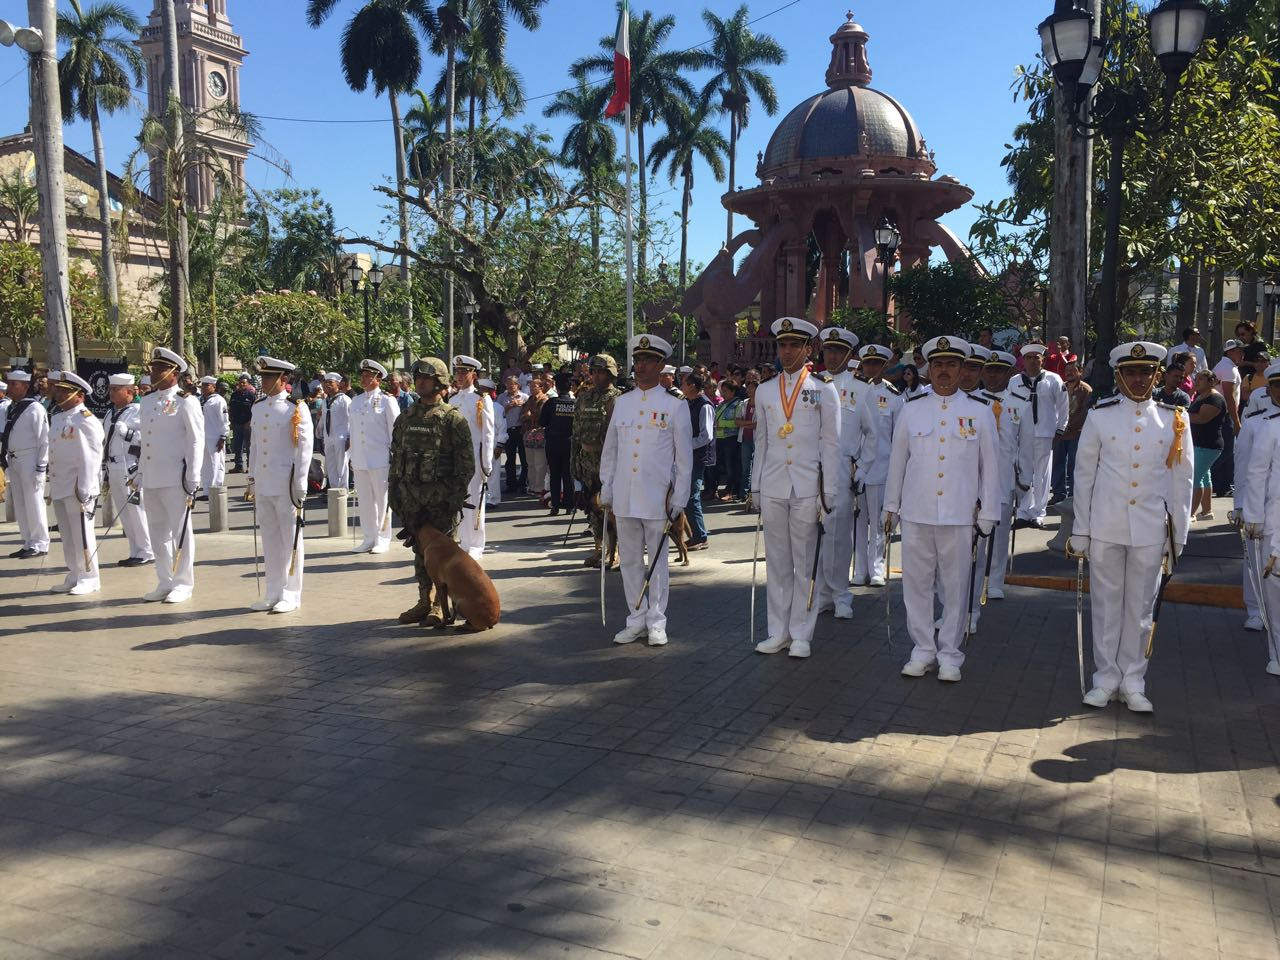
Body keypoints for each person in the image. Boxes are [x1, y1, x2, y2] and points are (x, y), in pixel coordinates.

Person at [1069, 342, 1193, 712]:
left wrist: (1178, 536)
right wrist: (1081, 529)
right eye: (1130, 372)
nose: (1138, 379)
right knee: (1106, 607)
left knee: (1140, 610)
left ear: (1157, 375)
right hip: (1105, 525)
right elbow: (1084, 476)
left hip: (1150, 529)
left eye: (1145, 372)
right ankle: (1105, 679)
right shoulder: (1101, 416)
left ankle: (1134, 680)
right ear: (1119, 376)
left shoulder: (1174, 418)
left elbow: (1181, 481)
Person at [883, 337, 1000, 681]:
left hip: (959, 513)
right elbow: (897, 461)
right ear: (928, 369)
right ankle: (922, 649)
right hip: (917, 511)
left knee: (956, 585)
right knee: (916, 585)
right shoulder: (912, 407)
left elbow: (990, 467)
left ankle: (950, 652)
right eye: (938, 365)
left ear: (963, 369)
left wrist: (989, 511)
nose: (944, 372)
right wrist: (891, 505)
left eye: (951, 365)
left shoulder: (979, 411)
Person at [751, 317, 841, 659]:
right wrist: (755, 486)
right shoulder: (764, 389)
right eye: (782, 345)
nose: (787, 351)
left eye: (794, 345)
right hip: (773, 483)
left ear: (808, 349)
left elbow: (830, 443)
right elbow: (761, 441)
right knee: (777, 562)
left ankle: (801, 632)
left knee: (805, 562)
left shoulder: (823, 388)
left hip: (807, 486)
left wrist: (828, 491)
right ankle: (778, 631)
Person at [599, 335, 693, 646]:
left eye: (647, 361)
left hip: (657, 496)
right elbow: (611, 450)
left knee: (657, 560)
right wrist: (607, 487)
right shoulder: (622, 403)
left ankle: (656, 621)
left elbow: (684, 458)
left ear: (661, 365)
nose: (640, 366)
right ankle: (635, 618)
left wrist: (680, 496)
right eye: (637, 360)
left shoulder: (675, 406)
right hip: (625, 494)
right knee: (628, 560)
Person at [136, 347, 204, 604]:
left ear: (174, 373)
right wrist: (141, 472)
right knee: (157, 532)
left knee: (181, 531)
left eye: (160, 369)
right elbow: (147, 441)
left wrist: (194, 476)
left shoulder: (186, 400)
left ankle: (183, 583)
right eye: (153, 368)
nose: (154, 373)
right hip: (152, 476)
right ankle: (164, 580)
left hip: (177, 477)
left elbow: (196, 441)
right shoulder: (149, 400)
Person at [246, 357, 312, 614]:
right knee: (270, 539)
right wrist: (251, 477)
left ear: (284, 380)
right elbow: (254, 446)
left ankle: (291, 593)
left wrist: (300, 484)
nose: (264, 381)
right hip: (264, 482)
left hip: (286, 484)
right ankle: (272, 591)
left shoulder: (296, 408)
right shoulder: (258, 406)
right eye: (263, 377)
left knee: (291, 539)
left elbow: (303, 451)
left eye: (269, 377)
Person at [813, 328, 867, 619]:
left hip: (843, 469)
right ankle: (821, 592)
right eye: (828, 350)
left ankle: (841, 594)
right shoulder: (813, 384)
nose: (832, 356)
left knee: (838, 536)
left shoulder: (862, 389)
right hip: (811, 467)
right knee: (813, 535)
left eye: (838, 351)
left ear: (849, 354)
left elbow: (873, 435)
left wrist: (864, 468)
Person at [46, 371, 104, 596]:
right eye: (58, 390)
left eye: (64, 391)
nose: (58, 394)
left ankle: (89, 576)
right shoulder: (58, 417)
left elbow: (91, 456)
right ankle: (75, 573)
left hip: (78, 487)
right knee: (68, 535)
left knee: (82, 533)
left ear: (79, 395)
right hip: (61, 484)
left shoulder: (85, 419)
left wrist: (86, 489)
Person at [851, 343, 904, 589]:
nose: (871, 368)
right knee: (857, 523)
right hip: (855, 468)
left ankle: (876, 569)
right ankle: (859, 569)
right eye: (867, 363)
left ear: (884, 366)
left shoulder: (894, 397)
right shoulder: (852, 392)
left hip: (881, 468)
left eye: (876, 364)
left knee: (879, 523)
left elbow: (899, 437)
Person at [1235, 362, 1280, 634]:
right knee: (1254, 560)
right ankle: (1255, 609)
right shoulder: (1256, 422)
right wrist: (1240, 504)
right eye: (1276, 385)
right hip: (1260, 503)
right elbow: (1244, 466)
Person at [979, 350, 1025, 601]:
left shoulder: (1019, 403)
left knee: (1000, 531)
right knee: (975, 534)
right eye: (989, 370)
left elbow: (1024, 444)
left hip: (1005, 476)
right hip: (975, 478)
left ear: (1009, 373)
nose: (993, 375)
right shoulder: (973, 401)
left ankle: (995, 580)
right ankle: (974, 578)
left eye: (999, 370)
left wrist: (1025, 480)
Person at [1012, 343, 1068, 529]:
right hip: (1023, 433)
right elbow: (1010, 407)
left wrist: (1061, 428)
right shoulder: (1015, 381)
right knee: (1023, 473)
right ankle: (1022, 511)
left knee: (1042, 475)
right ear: (1024, 361)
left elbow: (1063, 405)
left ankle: (1038, 513)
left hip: (1045, 433)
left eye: (1036, 358)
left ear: (1042, 360)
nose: (1033, 361)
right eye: (1029, 358)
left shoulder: (1053, 379)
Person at [348, 359, 401, 554]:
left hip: (380, 458)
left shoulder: (387, 400)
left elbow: (395, 431)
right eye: (362, 375)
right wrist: (351, 456)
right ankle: (368, 538)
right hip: (360, 458)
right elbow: (353, 431)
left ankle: (383, 538)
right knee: (365, 501)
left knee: (382, 500)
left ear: (378, 379)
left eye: (368, 375)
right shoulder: (355, 401)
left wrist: (395, 457)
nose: (363, 378)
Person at [102, 373, 153, 566]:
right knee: (125, 513)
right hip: (113, 465)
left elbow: (147, 440)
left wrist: (127, 434)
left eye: (116, 389)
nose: (111, 393)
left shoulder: (138, 411)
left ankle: (147, 550)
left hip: (130, 465)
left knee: (136, 509)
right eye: (111, 389)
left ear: (130, 391)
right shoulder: (110, 413)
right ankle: (135, 550)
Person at [447, 356, 495, 561]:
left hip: (474, 455)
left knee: (475, 500)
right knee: (459, 500)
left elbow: (488, 433)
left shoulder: (482, 399)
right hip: (455, 458)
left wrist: (486, 464)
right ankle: (464, 541)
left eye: (463, 372)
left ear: (473, 375)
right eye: (457, 372)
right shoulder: (452, 400)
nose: (459, 376)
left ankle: (476, 544)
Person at [1, 367, 50, 558]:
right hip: (14, 459)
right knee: (20, 503)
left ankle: (40, 542)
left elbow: (43, 439)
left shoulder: (34, 408)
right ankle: (28, 540)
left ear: (25, 386)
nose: (10, 388)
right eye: (10, 384)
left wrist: (41, 467)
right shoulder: (10, 407)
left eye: (14, 384)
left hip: (30, 459)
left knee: (34, 502)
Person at [1050, 360, 1092, 504]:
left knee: (1074, 466)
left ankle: (1074, 497)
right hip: (1060, 433)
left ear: (1080, 372)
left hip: (1077, 433)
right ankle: (1058, 494)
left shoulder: (1086, 390)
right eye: (1067, 370)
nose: (1069, 373)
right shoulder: (1061, 387)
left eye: (1073, 370)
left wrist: (1069, 425)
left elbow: (1085, 413)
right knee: (1057, 464)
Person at [682, 371, 715, 551]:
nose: (681, 387)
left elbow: (706, 436)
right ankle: (696, 534)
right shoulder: (687, 403)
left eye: (684, 383)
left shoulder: (704, 406)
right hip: (687, 456)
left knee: (692, 496)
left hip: (697, 456)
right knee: (686, 495)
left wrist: (686, 444)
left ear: (693, 386)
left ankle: (700, 536)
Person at [1187, 370, 1226, 521]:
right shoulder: (1200, 396)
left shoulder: (1215, 399)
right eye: (1196, 379)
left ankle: (1190, 514)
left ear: (1211, 381)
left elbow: (1201, 419)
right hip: (1201, 444)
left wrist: (1181, 414)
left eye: (1201, 379)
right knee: (1204, 478)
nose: (1197, 381)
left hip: (1208, 445)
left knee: (1195, 478)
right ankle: (1207, 512)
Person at [1212, 340, 1245, 497]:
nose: (1242, 354)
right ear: (1230, 352)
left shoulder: (1226, 366)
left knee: (1228, 451)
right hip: (1225, 414)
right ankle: (1212, 480)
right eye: (1239, 351)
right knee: (1226, 451)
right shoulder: (1228, 368)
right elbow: (1229, 397)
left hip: (1223, 414)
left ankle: (1224, 486)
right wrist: (1236, 421)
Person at [540, 371, 575, 514]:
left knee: (555, 474)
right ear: (570, 388)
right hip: (570, 443)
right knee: (568, 475)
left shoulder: (551, 403)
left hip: (553, 443)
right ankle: (569, 506)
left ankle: (555, 506)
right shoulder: (576, 403)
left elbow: (542, 422)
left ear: (557, 388)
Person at [197, 375, 229, 497]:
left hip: (215, 437)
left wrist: (223, 437)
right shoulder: (202, 400)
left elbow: (224, 420)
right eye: (202, 386)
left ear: (214, 387)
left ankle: (216, 490)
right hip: (203, 437)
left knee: (216, 463)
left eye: (207, 385)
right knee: (205, 465)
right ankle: (206, 491)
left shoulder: (219, 401)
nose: (204, 388)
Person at [497, 375, 528, 496]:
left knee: (524, 458)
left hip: (521, 430)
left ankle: (523, 483)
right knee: (510, 459)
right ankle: (511, 484)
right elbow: (497, 413)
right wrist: (508, 407)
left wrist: (523, 408)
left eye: (512, 384)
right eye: (508, 384)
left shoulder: (524, 397)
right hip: (508, 430)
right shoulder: (501, 397)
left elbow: (530, 413)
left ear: (517, 385)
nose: (510, 386)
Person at [319, 372, 351, 490]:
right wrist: (320, 435)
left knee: (342, 465)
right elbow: (323, 419)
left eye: (330, 383)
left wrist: (350, 438)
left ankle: (343, 491)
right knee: (331, 465)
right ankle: (333, 490)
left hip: (342, 437)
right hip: (328, 437)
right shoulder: (325, 401)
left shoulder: (345, 400)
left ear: (338, 384)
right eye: (325, 382)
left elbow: (352, 420)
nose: (327, 385)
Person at [521, 375, 549, 498]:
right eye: (530, 386)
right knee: (530, 462)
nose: (531, 388)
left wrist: (529, 416)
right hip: (528, 432)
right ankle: (532, 486)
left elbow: (542, 417)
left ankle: (539, 488)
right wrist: (527, 416)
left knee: (540, 462)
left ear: (541, 387)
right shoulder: (529, 399)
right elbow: (522, 415)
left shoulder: (544, 400)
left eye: (534, 386)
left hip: (540, 433)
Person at [228, 374, 254, 472]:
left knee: (248, 447)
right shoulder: (234, 395)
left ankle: (249, 466)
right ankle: (238, 466)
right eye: (240, 382)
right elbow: (231, 408)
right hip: (237, 424)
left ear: (248, 384)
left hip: (247, 425)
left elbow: (255, 410)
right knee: (237, 446)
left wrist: (250, 422)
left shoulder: (251, 396)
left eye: (244, 382)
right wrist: (231, 421)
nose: (242, 384)